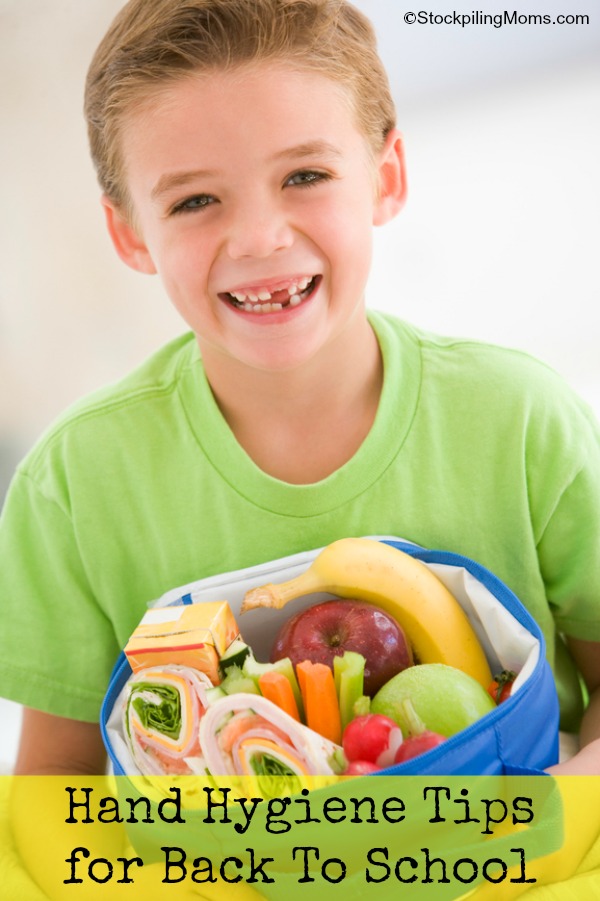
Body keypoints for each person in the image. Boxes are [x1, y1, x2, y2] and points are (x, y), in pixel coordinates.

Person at [1, 0, 599, 780]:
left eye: (305, 176)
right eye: (193, 200)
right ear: (130, 234)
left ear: (386, 178)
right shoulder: (75, 483)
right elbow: (57, 790)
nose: (259, 239)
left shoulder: (522, 420)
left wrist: (540, 825)